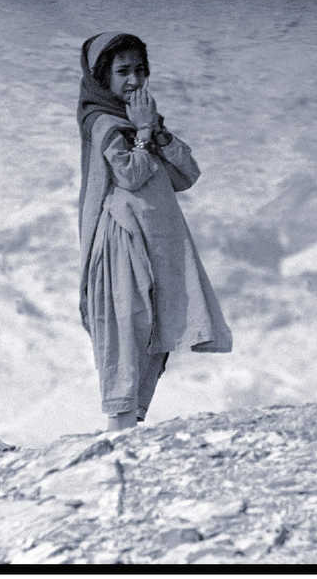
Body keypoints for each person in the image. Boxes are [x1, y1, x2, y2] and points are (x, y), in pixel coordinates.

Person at [77, 32, 233, 432]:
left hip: (155, 241)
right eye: (123, 71)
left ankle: (130, 429)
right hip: (121, 240)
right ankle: (118, 431)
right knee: (126, 325)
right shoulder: (103, 123)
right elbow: (128, 174)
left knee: (153, 330)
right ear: (101, 77)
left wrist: (155, 131)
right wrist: (143, 135)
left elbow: (187, 175)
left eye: (140, 70)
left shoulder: (143, 122)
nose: (134, 81)